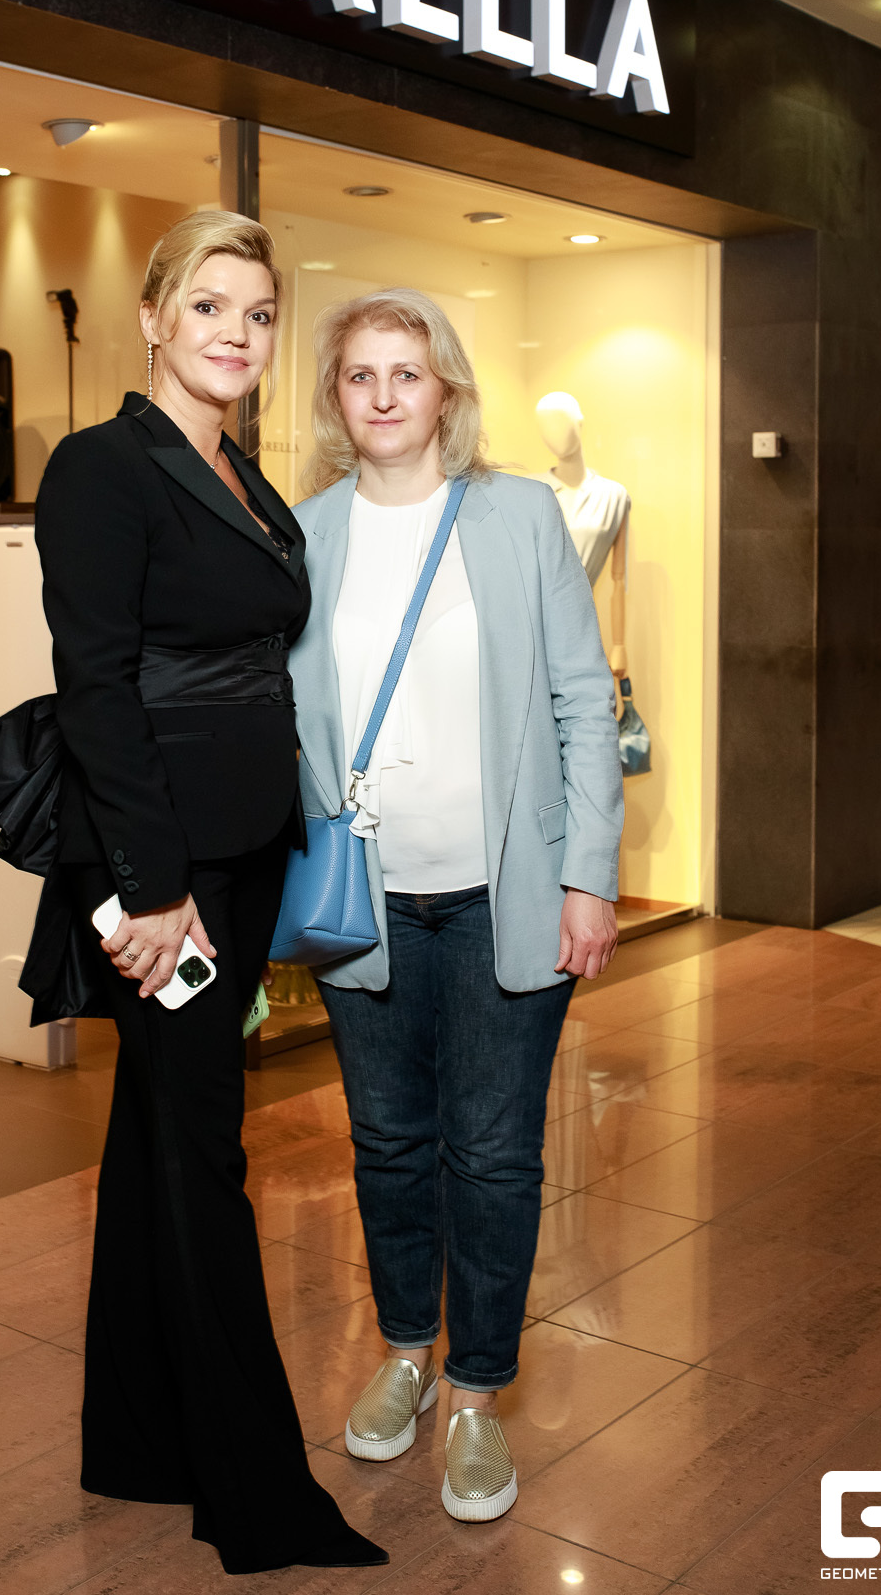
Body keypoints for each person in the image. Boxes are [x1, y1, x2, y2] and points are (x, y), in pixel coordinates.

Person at [34, 210, 386, 1576]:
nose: (236, 333)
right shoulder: (100, 466)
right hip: (161, 867)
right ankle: (255, 1494)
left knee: (157, 1139)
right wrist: (153, 888)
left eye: (257, 313)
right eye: (208, 306)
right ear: (152, 317)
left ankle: (137, 1441)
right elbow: (95, 687)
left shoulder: (240, 475)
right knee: (200, 1154)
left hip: (239, 853)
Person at [287, 289, 623, 1524]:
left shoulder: (517, 515)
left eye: (406, 372)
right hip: (363, 900)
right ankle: (402, 1353)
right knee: (385, 1143)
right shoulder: (303, 536)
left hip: (502, 894)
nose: (382, 395)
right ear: (334, 398)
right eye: (359, 374)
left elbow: (581, 700)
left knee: (489, 1153)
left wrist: (587, 874)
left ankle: (476, 1392)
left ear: (445, 392)